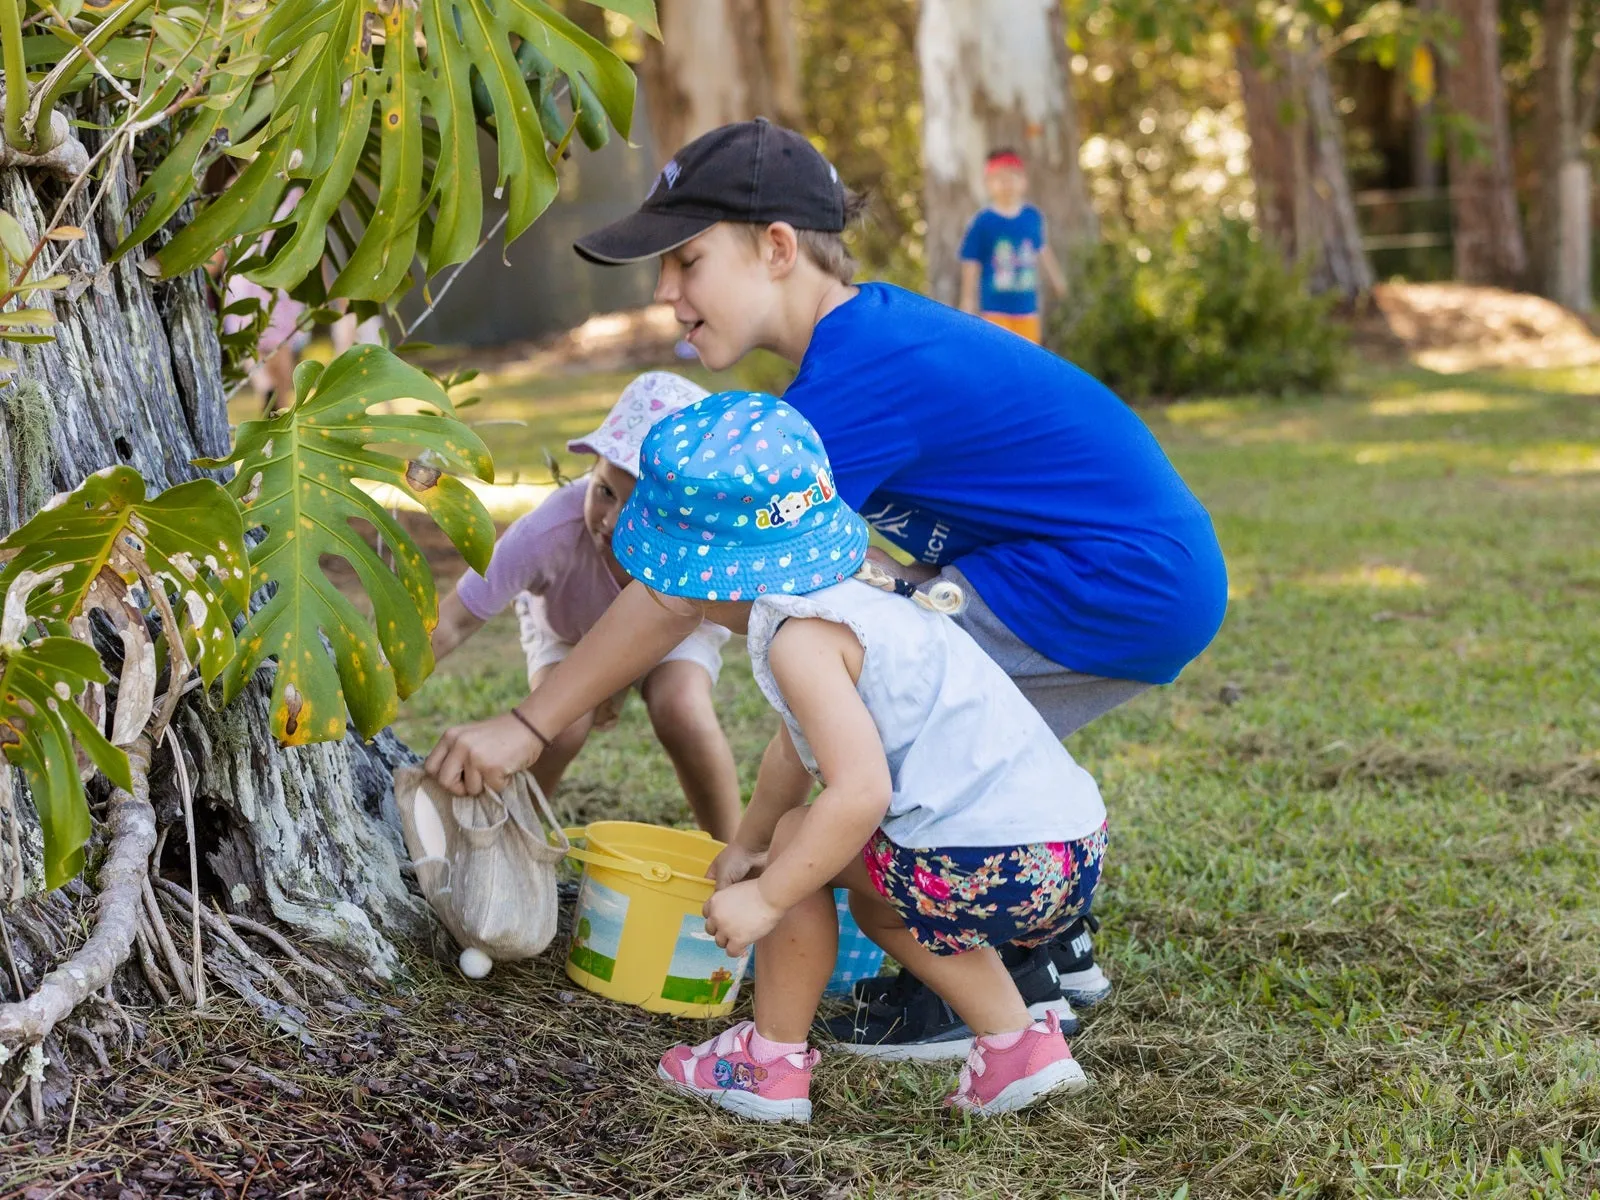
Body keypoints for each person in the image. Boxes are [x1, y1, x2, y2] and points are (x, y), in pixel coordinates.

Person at [423, 118, 1228, 1056]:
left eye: (685, 260)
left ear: (774, 249)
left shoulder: (850, 381)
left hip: (1105, 577)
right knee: (943, 741)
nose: (665, 291)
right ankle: (1050, 941)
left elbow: (681, 590)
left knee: (888, 731)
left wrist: (527, 726)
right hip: (1130, 575)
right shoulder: (859, 347)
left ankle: (1001, 979)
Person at [623, 392, 1106, 1122]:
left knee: (800, 848)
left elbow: (858, 793)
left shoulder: (801, 638)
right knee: (880, 901)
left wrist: (769, 888)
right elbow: (797, 749)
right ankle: (1018, 1048)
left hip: (983, 858)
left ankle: (768, 1063)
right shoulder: (863, 596)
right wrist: (745, 844)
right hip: (1067, 849)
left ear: (708, 574)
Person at [429, 371, 742, 841]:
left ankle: (732, 850)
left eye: (642, 509)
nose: (613, 522)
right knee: (564, 722)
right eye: (605, 491)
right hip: (566, 629)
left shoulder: (697, 552)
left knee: (682, 707)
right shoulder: (547, 532)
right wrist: (374, 691)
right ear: (592, 468)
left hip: (674, 635)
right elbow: (453, 620)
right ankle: (515, 837)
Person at [957, 148, 1067, 345]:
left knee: (1028, 356)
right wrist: (967, 300)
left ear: (1023, 182)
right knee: (999, 355)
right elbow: (971, 260)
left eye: (1012, 177)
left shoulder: (1032, 217)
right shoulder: (983, 221)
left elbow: (1042, 248)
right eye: (999, 178)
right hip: (995, 308)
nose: (1006, 184)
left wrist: (1057, 279)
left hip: (1027, 307)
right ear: (988, 184)